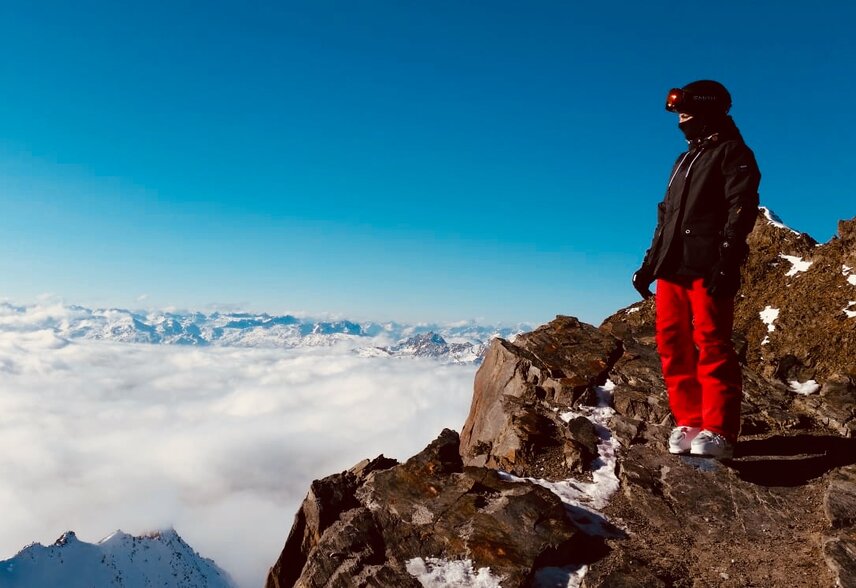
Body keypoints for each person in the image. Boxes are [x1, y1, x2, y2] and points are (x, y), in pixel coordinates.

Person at [632, 80, 761, 459]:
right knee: (672, 343)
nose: (680, 119)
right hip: (673, 267)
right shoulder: (684, 160)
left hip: (707, 266)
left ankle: (719, 429)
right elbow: (666, 218)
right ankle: (689, 420)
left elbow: (742, 208)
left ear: (708, 109)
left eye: (686, 111)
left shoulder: (732, 152)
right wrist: (649, 265)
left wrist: (727, 260)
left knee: (711, 343)